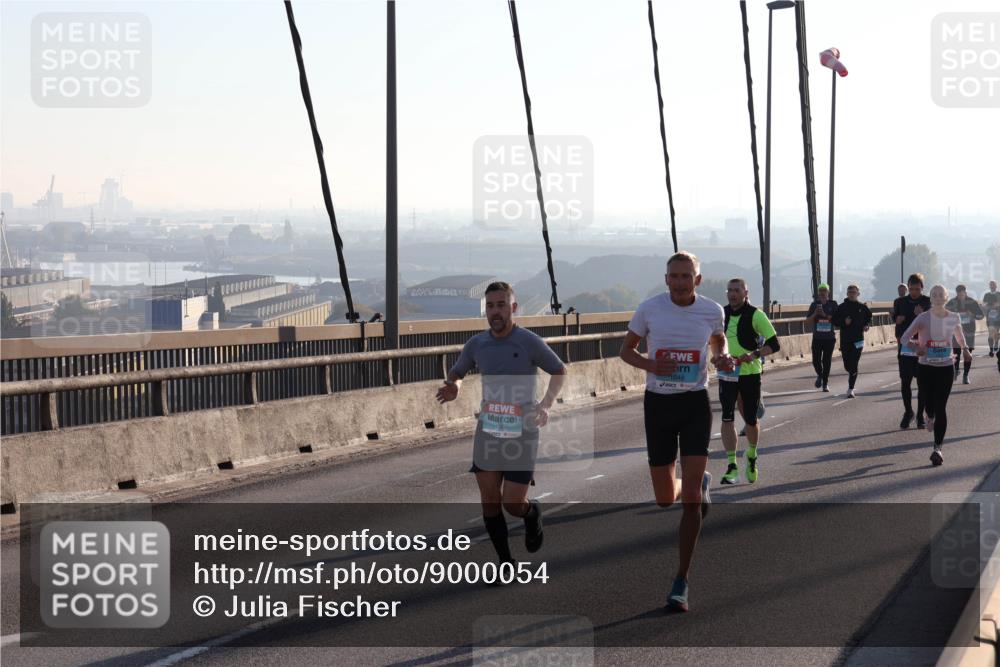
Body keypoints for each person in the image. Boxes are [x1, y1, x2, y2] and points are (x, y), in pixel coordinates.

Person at [619, 251, 734, 612]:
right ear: (666, 279)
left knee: (690, 506)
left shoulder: (712, 309)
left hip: (694, 403)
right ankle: (696, 483)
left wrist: (721, 356)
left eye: (687, 276)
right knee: (665, 497)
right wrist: (652, 363)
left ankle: (681, 580)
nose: (681, 282)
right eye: (675, 276)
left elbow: (718, 340)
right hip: (658, 404)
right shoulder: (649, 309)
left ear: (698, 280)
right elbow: (626, 351)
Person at [436, 281, 567, 567]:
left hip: (522, 430)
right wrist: (454, 385)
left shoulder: (528, 341)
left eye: (501, 305)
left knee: (512, 504)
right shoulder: (476, 344)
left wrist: (545, 404)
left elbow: (559, 370)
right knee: (489, 499)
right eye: (491, 306)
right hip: (489, 428)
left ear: (513, 308)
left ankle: (531, 513)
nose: (495, 312)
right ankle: (505, 562)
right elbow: (457, 370)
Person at [717, 278, 780, 486]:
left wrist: (753, 355)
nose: (732, 294)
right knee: (727, 418)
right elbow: (712, 341)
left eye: (737, 290)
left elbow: (774, 344)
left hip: (750, 373)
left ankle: (751, 454)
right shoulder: (721, 314)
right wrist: (716, 357)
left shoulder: (756, 315)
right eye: (730, 290)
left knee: (750, 419)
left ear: (745, 292)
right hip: (727, 373)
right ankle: (731, 466)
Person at [901, 285, 971, 466]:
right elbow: (904, 338)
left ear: (946, 297)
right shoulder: (923, 318)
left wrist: (964, 350)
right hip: (925, 368)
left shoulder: (953, 317)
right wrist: (916, 347)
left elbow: (959, 335)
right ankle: (928, 415)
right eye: (934, 295)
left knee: (941, 407)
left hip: (946, 366)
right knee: (930, 405)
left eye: (941, 294)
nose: (938, 297)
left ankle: (937, 448)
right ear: (930, 298)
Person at [893, 274, 931, 429]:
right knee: (905, 382)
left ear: (922, 287)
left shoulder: (927, 302)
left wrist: (921, 315)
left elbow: (933, 322)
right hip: (905, 347)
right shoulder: (900, 302)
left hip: (922, 348)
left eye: (917, 289)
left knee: (922, 384)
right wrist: (897, 319)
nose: (914, 292)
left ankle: (920, 414)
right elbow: (895, 318)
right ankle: (908, 412)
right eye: (911, 289)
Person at [832, 284, 873, 398]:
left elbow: (869, 318)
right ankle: (851, 373)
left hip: (858, 340)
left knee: (854, 363)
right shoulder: (842, 307)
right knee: (847, 366)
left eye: (854, 292)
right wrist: (844, 322)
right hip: (845, 340)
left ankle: (850, 389)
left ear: (858, 294)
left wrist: (866, 325)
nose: (851, 294)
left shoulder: (862, 307)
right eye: (849, 292)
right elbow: (834, 321)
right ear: (847, 293)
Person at [945, 285, 984, 384]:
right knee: (956, 352)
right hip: (956, 332)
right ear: (957, 293)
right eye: (959, 294)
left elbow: (981, 315)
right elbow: (944, 315)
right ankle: (956, 369)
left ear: (965, 293)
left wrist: (973, 315)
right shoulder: (952, 302)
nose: (961, 296)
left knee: (968, 354)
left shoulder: (972, 302)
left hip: (969, 332)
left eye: (963, 294)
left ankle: (966, 375)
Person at [807, 283, 838, 391]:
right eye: (820, 291)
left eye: (824, 291)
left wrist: (825, 315)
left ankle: (825, 383)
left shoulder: (833, 304)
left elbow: (837, 320)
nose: (822, 293)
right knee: (815, 361)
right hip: (817, 337)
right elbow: (808, 320)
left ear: (828, 292)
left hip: (829, 338)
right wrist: (815, 313)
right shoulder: (814, 304)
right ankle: (820, 375)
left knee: (826, 361)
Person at [981, 280, 999, 357]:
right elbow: (984, 304)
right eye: (991, 285)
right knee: (991, 333)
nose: (992, 286)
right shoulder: (986, 295)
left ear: (996, 286)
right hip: (990, 318)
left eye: (994, 285)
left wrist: (997, 306)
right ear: (989, 286)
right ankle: (991, 349)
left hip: (998, 317)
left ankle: (996, 343)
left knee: (996, 332)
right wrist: (988, 306)